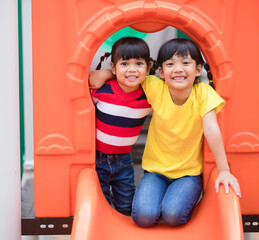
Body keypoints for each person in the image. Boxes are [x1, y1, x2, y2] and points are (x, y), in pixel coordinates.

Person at [89, 38, 241, 226]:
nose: (177, 69)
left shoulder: (203, 93)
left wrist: (224, 170)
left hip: (188, 174)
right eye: (170, 64)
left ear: (198, 69)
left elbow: (211, 128)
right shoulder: (155, 87)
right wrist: (106, 73)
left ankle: (173, 201)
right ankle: (159, 202)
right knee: (143, 217)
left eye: (186, 63)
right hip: (155, 172)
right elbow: (129, 74)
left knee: (173, 215)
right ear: (160, 72)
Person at [90, 37, 152, 216]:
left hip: (124, 160)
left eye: (139, 63)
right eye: (125, 63)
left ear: (147, 68)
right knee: (101, 204)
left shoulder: (148, 96)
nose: (132, 69)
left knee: (126, 205)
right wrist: (105, 74)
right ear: (113, 67)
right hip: (97, 159)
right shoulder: (102, 90)